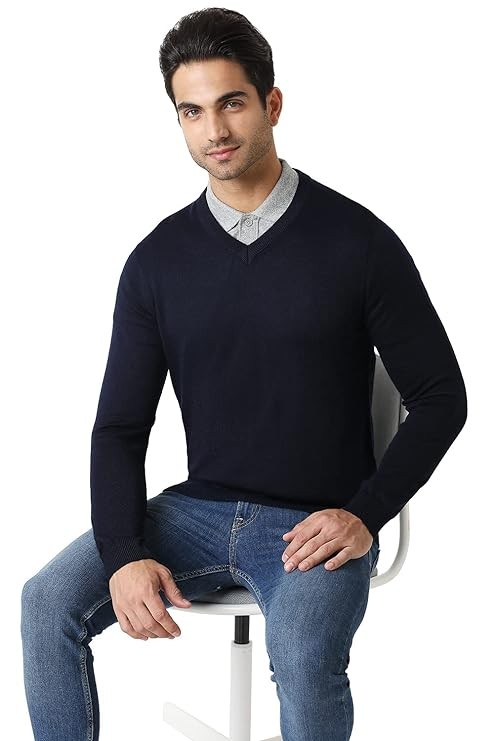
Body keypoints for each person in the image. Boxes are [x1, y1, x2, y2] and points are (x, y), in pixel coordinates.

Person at [20, 7, 468, 740]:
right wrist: (125, 555)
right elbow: (120, 427)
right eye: (191, 111)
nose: (214, 131)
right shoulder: (156, 262)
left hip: (313, 526)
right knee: (45, 603)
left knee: (304, 659)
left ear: (272, 103)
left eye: (231, 103)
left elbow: (441, 396)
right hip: (195, 513)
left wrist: (364, 514)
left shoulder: (358, 242)